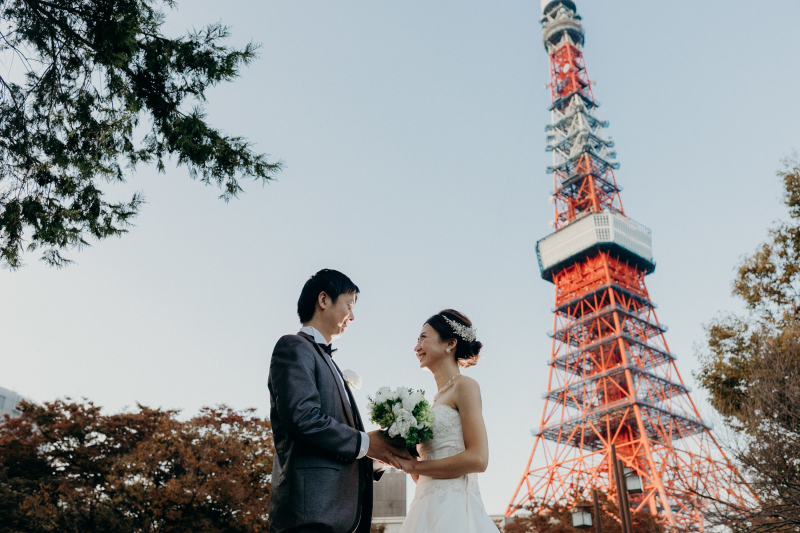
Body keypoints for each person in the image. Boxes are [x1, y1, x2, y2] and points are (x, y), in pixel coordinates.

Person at [268, 269, 412, 533]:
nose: (353, 317)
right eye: (349, 305)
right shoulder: (293, 347)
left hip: (338, 519)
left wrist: (386, 454)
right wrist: (368, 443)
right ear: (324, 300)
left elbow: (337, 443)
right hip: (309, 518)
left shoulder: (328, 361)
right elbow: (304, 420)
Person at [394, 309, 500, 532]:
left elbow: (478, 459)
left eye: (423, 337)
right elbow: (425, 474)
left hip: (455, 511)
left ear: (449, 343)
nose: (416, 347)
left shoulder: (465, 386)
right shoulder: (433, 402)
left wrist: (415, 465)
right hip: (425, 508)